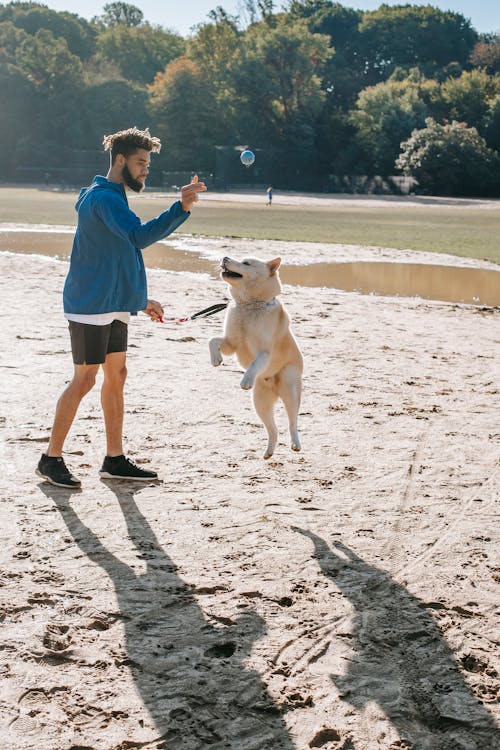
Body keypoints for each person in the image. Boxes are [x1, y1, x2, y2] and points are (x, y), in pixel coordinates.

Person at [36, 127, 206, 488]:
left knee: (118, 376)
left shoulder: (107, 194)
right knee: (85, 380)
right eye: (141, 163)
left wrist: (139, 301)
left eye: (148, 163)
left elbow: (114, 254)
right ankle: (50, 459)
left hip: (112, 303)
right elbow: (138, 238)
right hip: (90, 305)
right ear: (120, 160)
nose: (146, 170)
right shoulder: (105, 199)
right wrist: (182, 207)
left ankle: (113, 459)